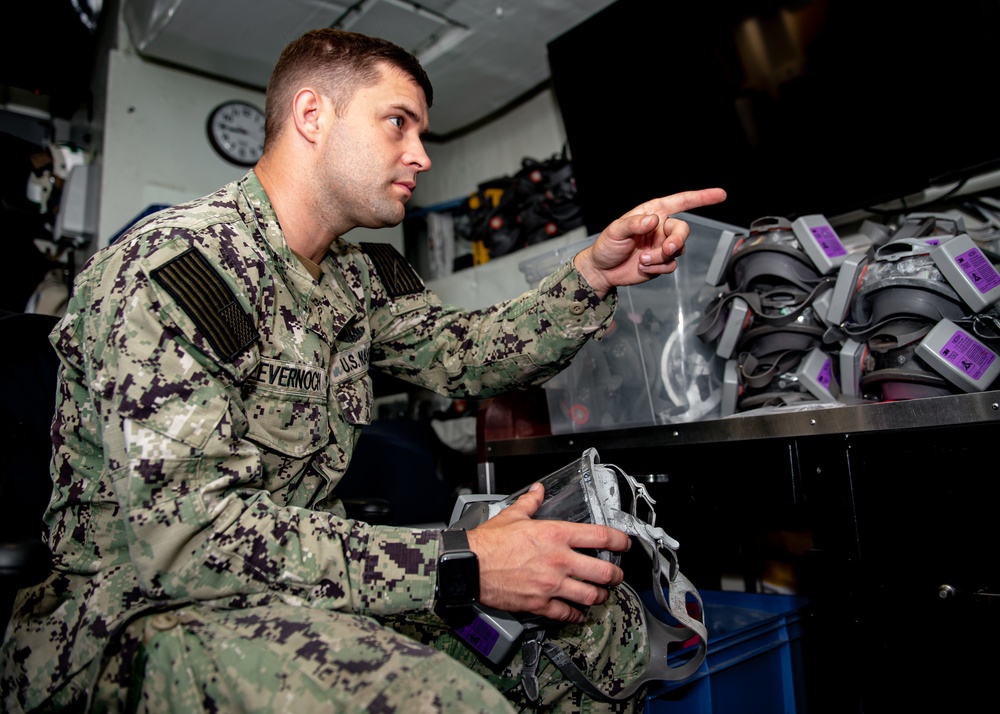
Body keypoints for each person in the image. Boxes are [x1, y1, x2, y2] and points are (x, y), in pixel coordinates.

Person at [0, 27, 726, 714]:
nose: (421, 155)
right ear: (313, 114)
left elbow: (465, 356)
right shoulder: (179, 267)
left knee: (604, 628)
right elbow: (191, 544)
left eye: (423, 133)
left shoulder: (359, 275)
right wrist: (465, 559)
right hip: (139, 613)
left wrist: (590, 276)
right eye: (398, 123)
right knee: (439, 700)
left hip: (309, 583)